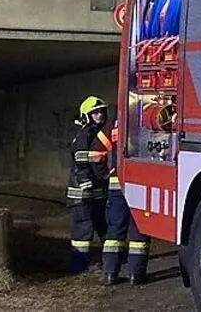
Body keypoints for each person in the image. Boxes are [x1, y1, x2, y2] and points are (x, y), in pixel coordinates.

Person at [103, 118, 150, 286]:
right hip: (139, 181)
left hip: (117, 184)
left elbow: (98, 148)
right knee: (139, 229)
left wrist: (106, 171)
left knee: (115, 230)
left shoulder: (114, 124)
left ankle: (110, 273)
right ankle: (136, 275)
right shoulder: (145, 122)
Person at [67, 96, 111, 274]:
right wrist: (86, 182)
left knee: (104, 226)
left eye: (101, 112)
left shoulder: (99, 134)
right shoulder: (85, 135)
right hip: (82, 195)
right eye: (95, 113)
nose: (99, 115)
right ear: (87, 115)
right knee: (83, 232)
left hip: (97, 193)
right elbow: (81, 161)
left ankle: (112, 260)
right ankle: (79, 266)